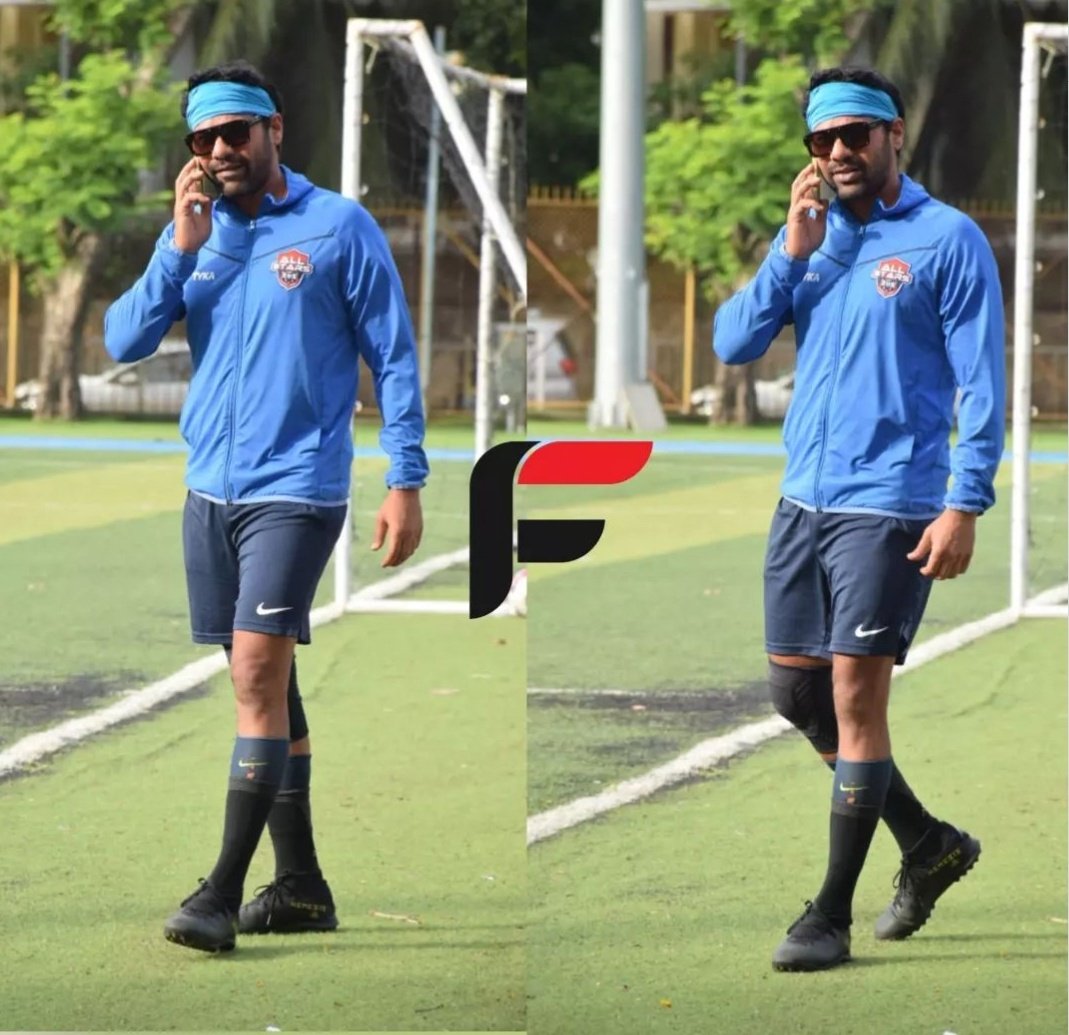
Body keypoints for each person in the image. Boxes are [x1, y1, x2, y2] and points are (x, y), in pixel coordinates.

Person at [104, 61, 428, 953]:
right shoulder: (195, 234)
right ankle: (303, 887)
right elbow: (123, 338)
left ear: (273, 129)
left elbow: (393, 357)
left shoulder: (337, 226)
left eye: (234, 133)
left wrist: (406, 478)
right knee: (265, 679)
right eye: (201, 140)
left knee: (254, 674)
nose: (217, 152)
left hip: (297, 488)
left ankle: (218, 893)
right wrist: (179, 242)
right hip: (208, 489)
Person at [713, 66, 1005, 972]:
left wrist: (963, 503)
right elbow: (732, 343)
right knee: (796, 696)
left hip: (890, 505)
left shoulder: (945, 240)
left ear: (893, 135)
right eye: (821, 140)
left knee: (851, 697)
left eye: (854, 135)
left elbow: (982, 384)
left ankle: (827, 915)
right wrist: (789, 252)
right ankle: (927, 844)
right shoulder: (810, 239)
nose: (837, 152)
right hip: (801, 500)